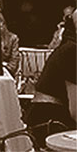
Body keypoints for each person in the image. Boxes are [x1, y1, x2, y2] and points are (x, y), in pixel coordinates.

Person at [26, 9, 77, 148]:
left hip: (49, 119)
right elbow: (75, 111)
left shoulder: (68, 47)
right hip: (50, 123)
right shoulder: (72, 51)